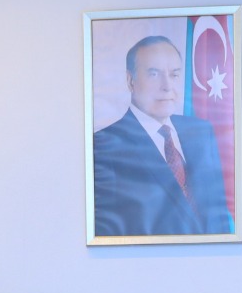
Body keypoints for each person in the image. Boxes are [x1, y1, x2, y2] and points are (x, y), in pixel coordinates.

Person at [91, 35, 232, 237]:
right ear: (130, 81)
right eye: (154, 74)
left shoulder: (201, 132)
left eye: (174, 75)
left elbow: (218, 216)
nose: (167, 86)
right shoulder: (104, 146)